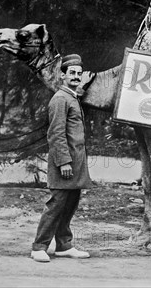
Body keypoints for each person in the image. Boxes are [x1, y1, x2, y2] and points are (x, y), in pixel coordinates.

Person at [31, 54, 93, 263]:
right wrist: (63, 162)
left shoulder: (72, 97)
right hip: (64, 162)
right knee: (56, 204)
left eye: (78, 73)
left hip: (76, 162)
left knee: (70, 204)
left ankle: (64, 245)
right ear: (62, 75)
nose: (75, 77)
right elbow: (55, 134)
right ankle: (39, 246)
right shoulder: (59, 99)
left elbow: (77, 94)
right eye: (71, 73)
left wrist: (85, 85)